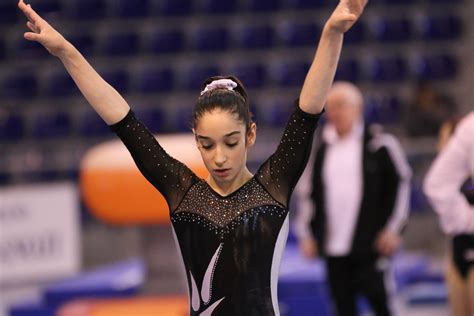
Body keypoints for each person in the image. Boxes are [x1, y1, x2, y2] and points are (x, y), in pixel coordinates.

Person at [18, 0, 367, 314]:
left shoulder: (273, 187)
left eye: (231, 142)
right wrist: (67, 53)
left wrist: (331, 32)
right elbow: (123, 121)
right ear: (196, 142)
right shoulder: (183, 193)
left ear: (251, 135)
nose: (219, 157)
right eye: (208, 144)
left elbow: (307, 113)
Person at [295, 82, 412, 316]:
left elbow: (401, 186)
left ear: (357, 108)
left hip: (371, 245)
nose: (336, 112)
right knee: (342, 307)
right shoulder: (321, 149)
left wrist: (393, 229)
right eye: (331, 107)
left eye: (341, 106)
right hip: (333, 247)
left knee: (382, 304)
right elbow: (307, 193)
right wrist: (306, 234)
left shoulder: (379, 144)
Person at [424, 112, 474, 316]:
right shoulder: (453, 180)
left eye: (446, 139)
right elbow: (437, 188)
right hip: (457, 251)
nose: (441, 145)